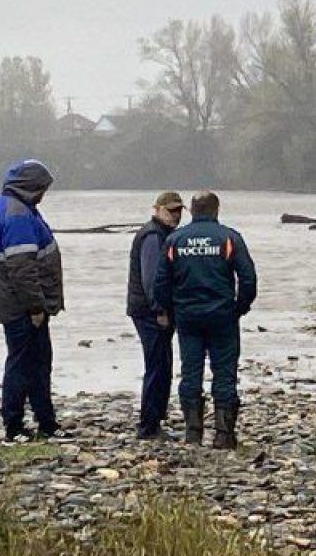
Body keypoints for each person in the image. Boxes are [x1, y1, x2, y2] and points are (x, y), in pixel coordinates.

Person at [154, 191, 257, 449]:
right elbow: (248, 278)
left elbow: (161, 283)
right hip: (222, 315)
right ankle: (223, 434)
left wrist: (171, 308)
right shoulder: (230, 238)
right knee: (224, 372)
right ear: (216, 210)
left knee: (190, 372)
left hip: (188, 317)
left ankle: (193, 432)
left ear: (191, 210)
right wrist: (239, 308)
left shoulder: (175, 241)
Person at [0, 159, 66, 441]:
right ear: (30, 188)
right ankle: (15, 426)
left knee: (36, 362)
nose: (44, 194)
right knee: (25, 364)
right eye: (42, 188)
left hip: (15, 304)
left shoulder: (7, 206)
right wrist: (35, 307)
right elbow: (22, 269)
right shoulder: (18, 216)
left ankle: (45, 421)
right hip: (21, 308)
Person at [126, 191, 185, 440]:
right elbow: (151, 279)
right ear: (157, 209)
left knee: (163, 364)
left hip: (154, 309)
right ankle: (148, 425)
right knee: (157, 366)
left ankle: (155, 419)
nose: (175, 215)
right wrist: (160, 309)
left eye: (179, 210)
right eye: (171, 210)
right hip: (149, 312)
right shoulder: (152, 235)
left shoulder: (165, 234)